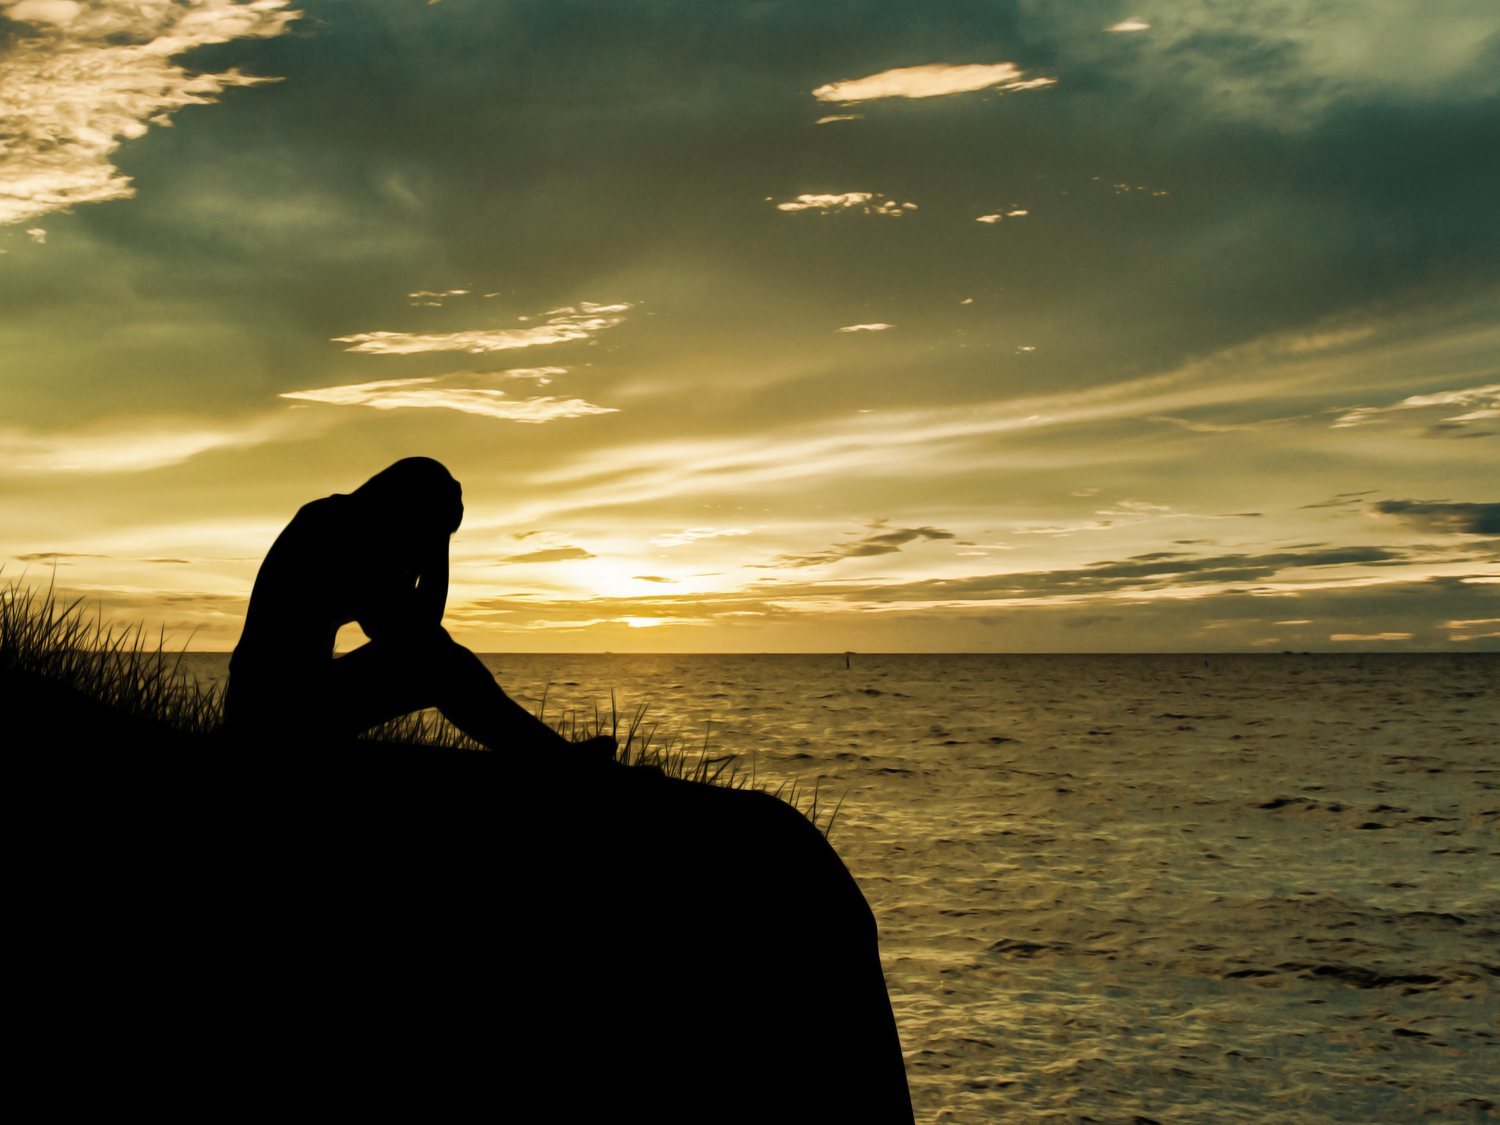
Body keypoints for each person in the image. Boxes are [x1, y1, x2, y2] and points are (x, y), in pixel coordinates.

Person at [221, 456, 614, 764]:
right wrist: (437, 549)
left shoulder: (339, 520)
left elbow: (411, 634)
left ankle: (551, 755)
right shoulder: (344, 532)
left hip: (278, 706)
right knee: (442, 661)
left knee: (440, 658)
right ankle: (553, 759)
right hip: (273, 718)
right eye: (430, 532)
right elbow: (416, 636)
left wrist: (433, 540)